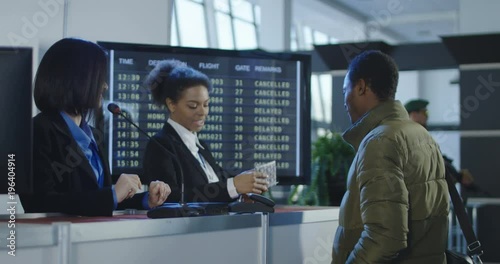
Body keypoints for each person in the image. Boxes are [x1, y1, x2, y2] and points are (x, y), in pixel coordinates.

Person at [20, 38, 171, 216]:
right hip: (58, 240)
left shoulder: (94, 134)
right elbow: (40, 204)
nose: (105, 86)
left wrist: (146, 199)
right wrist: (112, 194)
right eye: (99, 78)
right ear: (76, 79)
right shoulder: (36, 131)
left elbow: (101, 201)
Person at [332, 50, 449, 263]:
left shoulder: (380, 141)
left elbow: (385, 236)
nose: (344, 101)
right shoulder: (420, 134)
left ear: (361, 87)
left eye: (344, 91)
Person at [143, 60, 268, 203]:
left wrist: (243, 189)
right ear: (171, 104)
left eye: (206, 104)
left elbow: (220, 185)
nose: (203, 112)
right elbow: (169, 198)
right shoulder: (160, 145)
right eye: (193, 106)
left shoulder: (201, 146)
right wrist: (233, 186)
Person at [405, 99, 483, 196]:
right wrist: (456, 175)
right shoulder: (410, 136)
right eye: (425, 112)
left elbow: (435, 159)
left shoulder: (421, 135)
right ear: (413, 115)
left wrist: (457, 175)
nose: (427, 117)